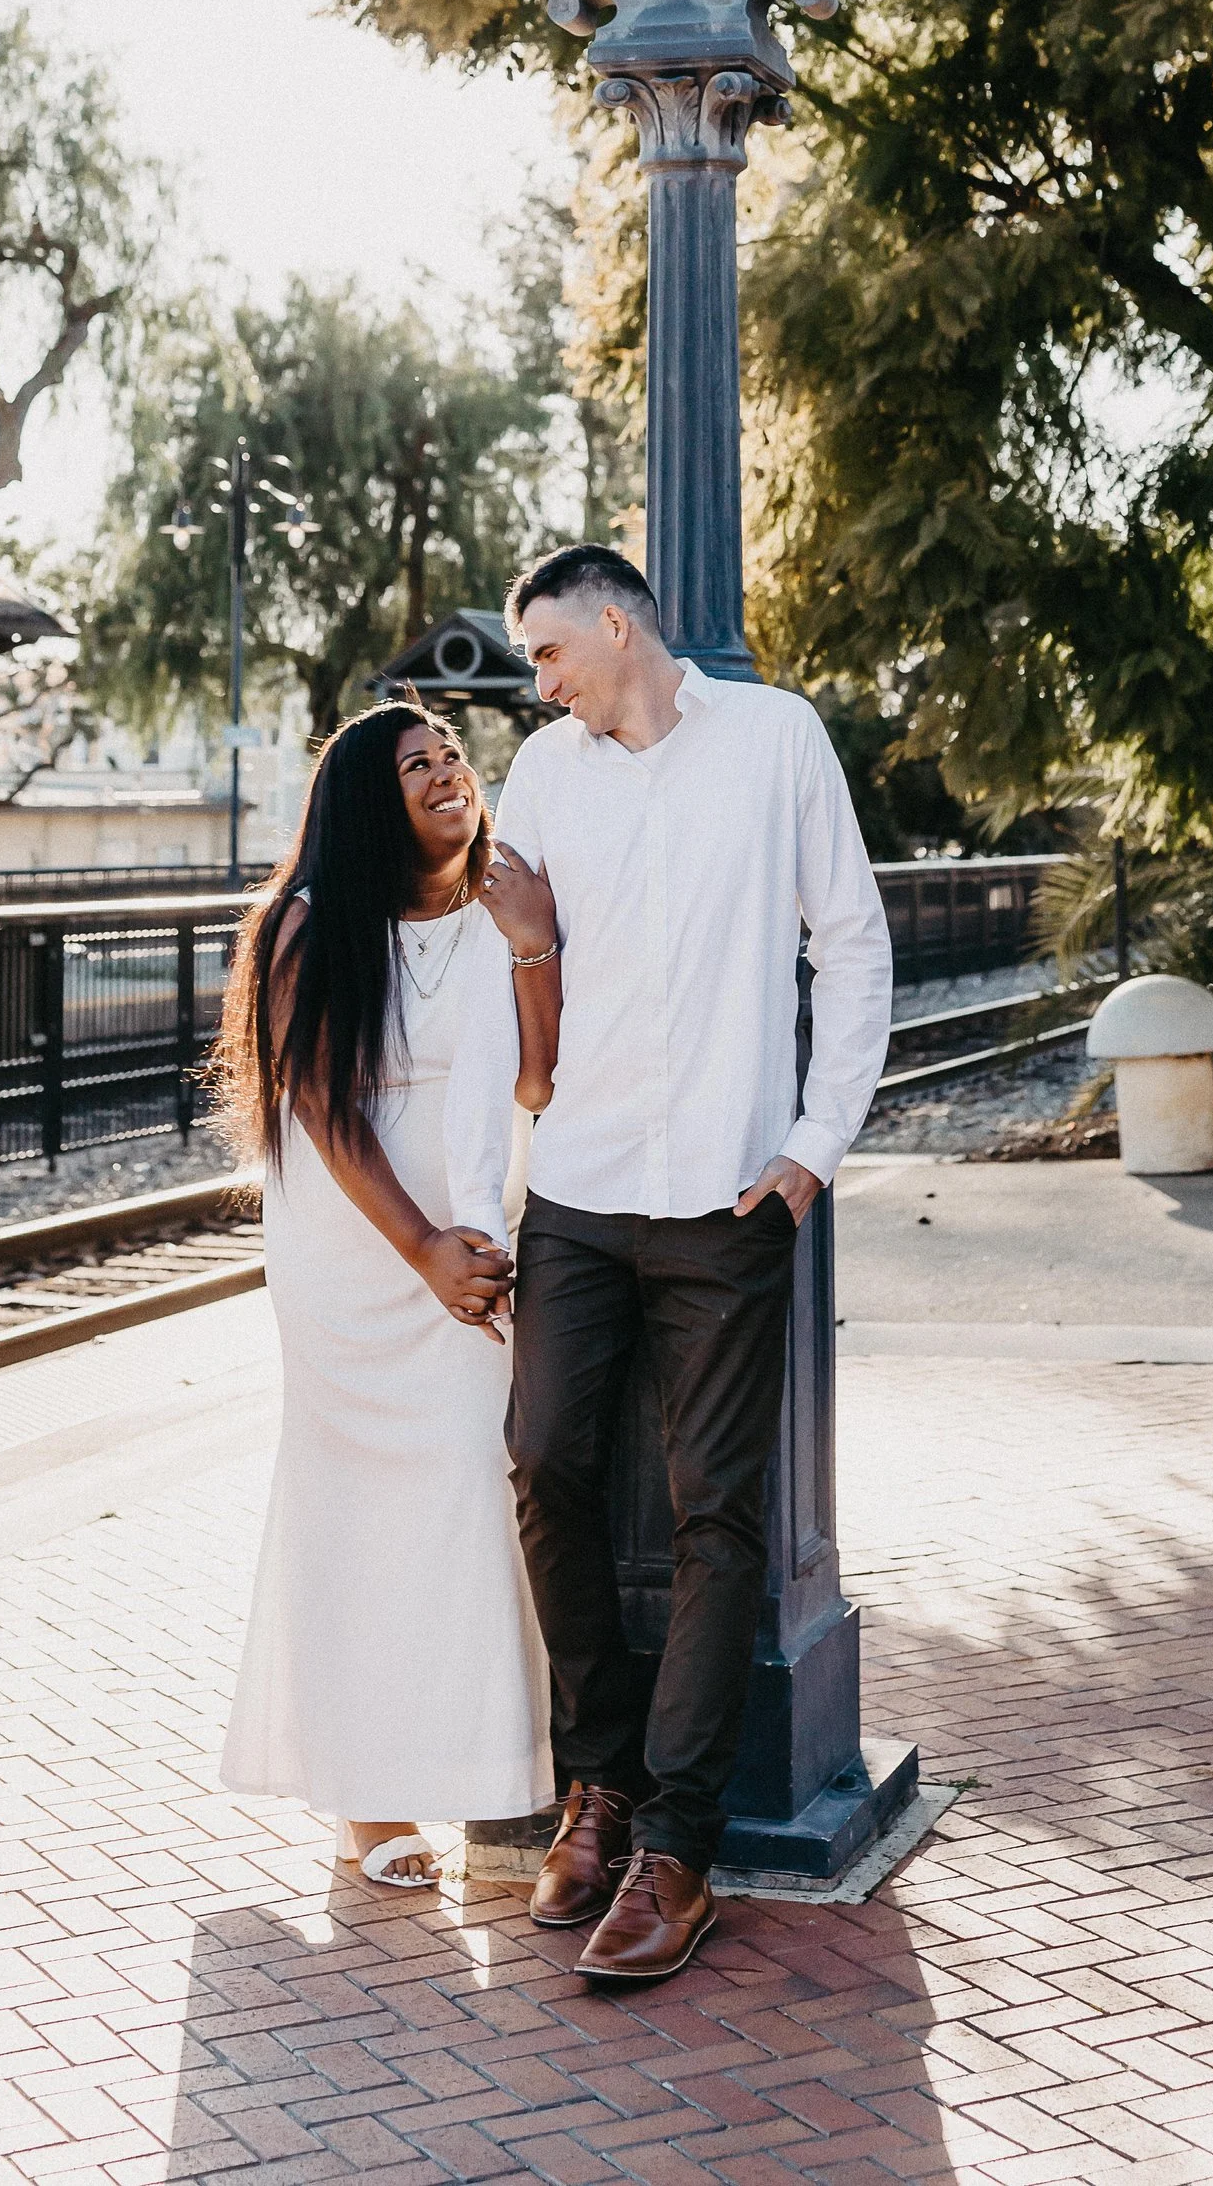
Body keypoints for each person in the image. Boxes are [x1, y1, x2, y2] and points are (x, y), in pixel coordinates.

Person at [479, 544, 892, 1987]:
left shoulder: (776, 738)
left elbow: (850, 941)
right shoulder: (544, 773)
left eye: (545, 651)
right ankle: (594, 1785)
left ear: (616, 622)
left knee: (717, 1512)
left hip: (728, 1195)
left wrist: (814, 1145)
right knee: (545, 1461)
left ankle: (677, 1847)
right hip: (580, 1188)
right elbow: (512, 972)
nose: (538, 680)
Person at [217, 697, 564, 1887]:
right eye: (416, 763)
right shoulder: (311, 924)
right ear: (371, 798)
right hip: (358, 1251)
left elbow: (534, 1072)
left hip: (472, 1228)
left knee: (474, 1485)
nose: (445, 772)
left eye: (453, 755)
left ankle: (489, 1772)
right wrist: (420, 1249)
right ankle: (366, 1803)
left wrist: (532, 943)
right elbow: (320, 1105)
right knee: (358, 1515)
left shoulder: (492, 908)